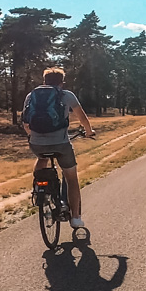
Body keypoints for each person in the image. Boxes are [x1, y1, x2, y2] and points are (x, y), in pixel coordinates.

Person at [22, 67, 95, 228]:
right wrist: (89, 132)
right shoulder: (66, 95)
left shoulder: (31, 95)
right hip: (60, 143)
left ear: (44, 81)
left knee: (42, 158)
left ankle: (38, 186)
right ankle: (75, 218)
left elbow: (25, 122)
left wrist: (32, 135)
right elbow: (82, 117)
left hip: (36, 143)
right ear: (61, 82)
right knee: (71, 178)